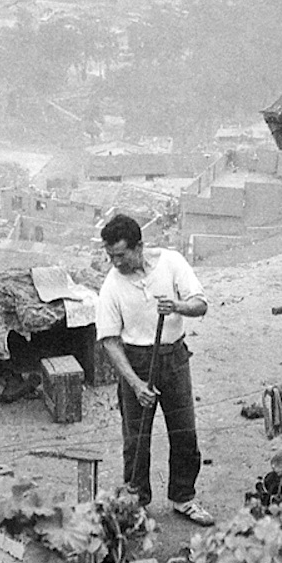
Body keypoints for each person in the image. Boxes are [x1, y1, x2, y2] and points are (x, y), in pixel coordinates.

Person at [96, 214, 214, 525]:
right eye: (110, 255)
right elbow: (109, 341)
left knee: (184, 430)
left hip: (174, 357)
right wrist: (135, 384)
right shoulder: (111, 285)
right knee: (136, 439)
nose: (115, 262)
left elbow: (200, 303)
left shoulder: (171, 262)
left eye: (120, 255)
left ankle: (183, 497)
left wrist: (177, 306)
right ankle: (137, 501)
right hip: (135, 362)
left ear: (139, 247)